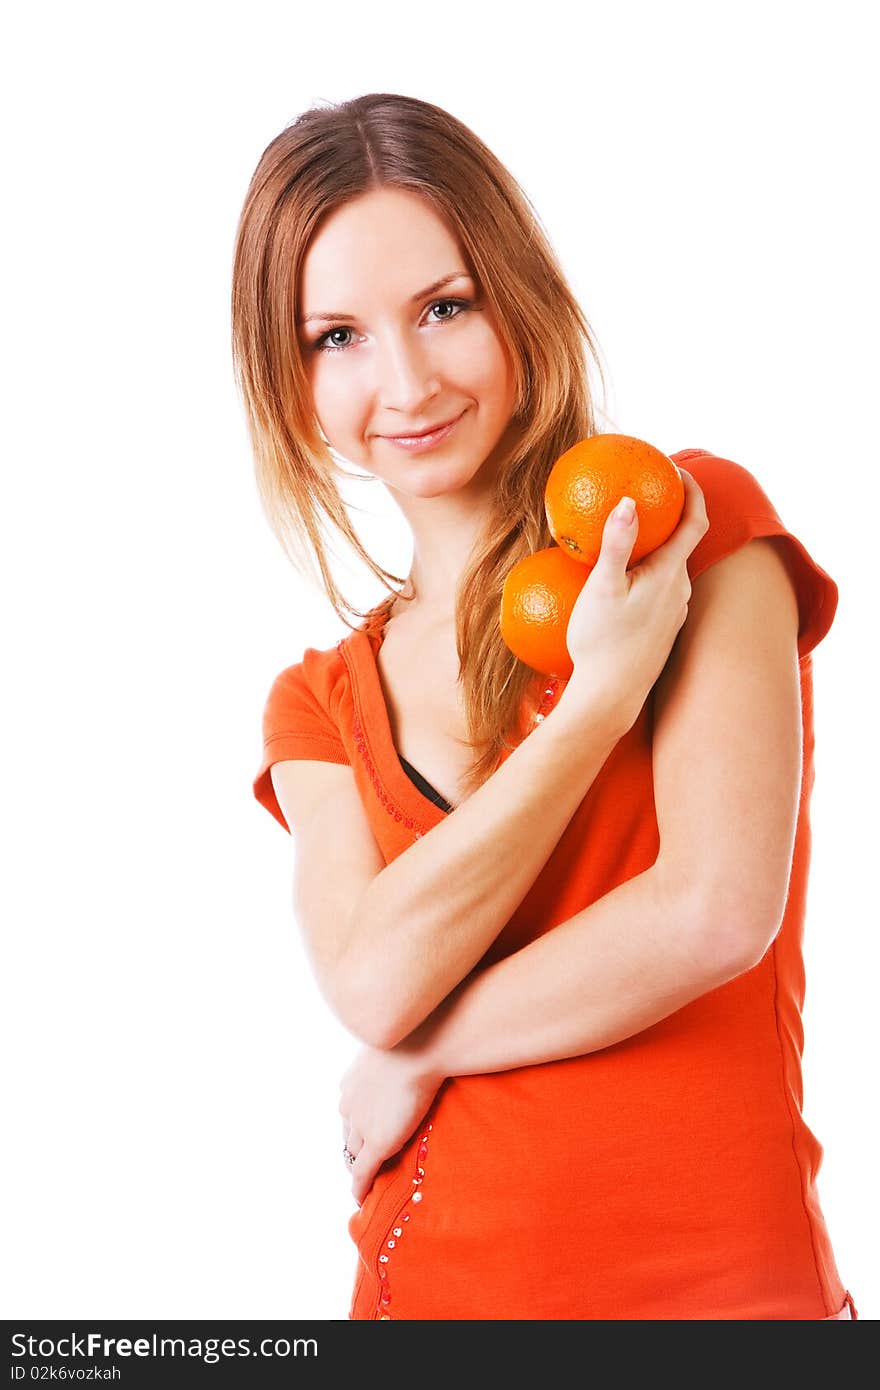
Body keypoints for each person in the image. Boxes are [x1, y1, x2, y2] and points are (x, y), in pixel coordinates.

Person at [234, 92, 856, 1320]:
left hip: (728, 1297)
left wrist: (423, 1048)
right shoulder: (317, 704)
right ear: (289, 375)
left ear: (517, 293)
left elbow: (713, 911)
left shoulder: (689, 528)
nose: (405, 381)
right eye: (336, 337)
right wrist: (593, 707)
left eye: (444, 308)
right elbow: (369, 980)